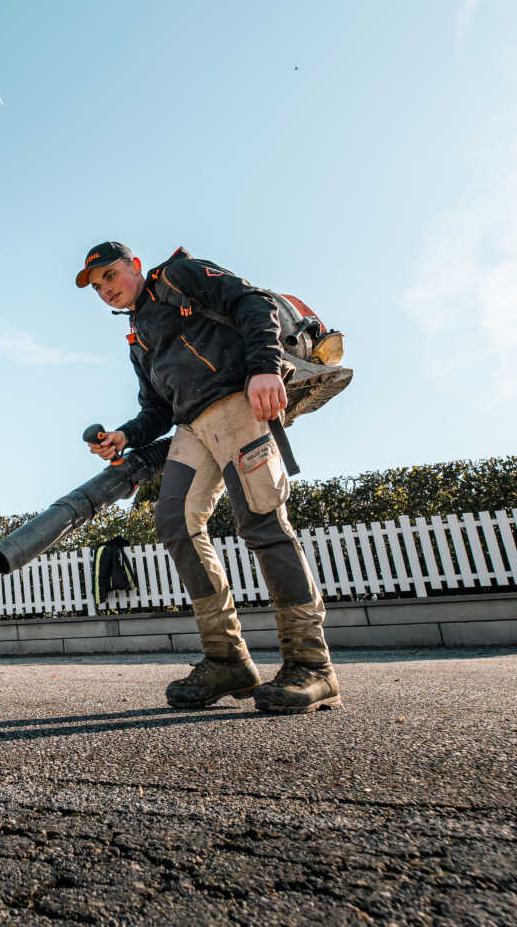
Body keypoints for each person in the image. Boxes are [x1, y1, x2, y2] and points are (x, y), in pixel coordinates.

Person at [75, 241, 340, 714]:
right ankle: (227, 658)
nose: (106, 290)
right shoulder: (137, 336)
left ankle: (311, 665)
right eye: (97, 287)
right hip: (191, 427)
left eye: (111, 276)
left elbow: (252, 301)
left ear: (134, 266)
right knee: (175, 523)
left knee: (261, 523)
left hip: (239, 404)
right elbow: (156, 410)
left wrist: (263, 369)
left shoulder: (180, 275)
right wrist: (123, 435)